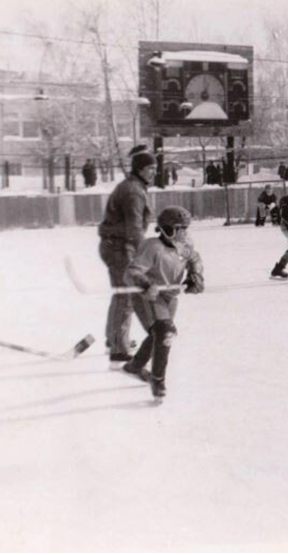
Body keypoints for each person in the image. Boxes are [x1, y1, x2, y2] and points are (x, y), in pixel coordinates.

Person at [121, 206, 204, 400]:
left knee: (158, 334)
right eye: (180, 228)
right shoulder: (152, 247)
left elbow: (195, 258)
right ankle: (158, 380)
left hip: (170, 296)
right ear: (167, 228)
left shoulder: (185, 244)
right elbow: (131, 272)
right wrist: (145, 283)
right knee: (165, 332)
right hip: (149, 296)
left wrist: (195, 274)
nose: (185, 233)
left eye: (186, 228)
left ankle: (135, 365)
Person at [97, 145, 155, 363]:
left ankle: (114, 339)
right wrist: (144, 258)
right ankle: (118, 348)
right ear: (140, 169)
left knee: (123, 293)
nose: (153, 172)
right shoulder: (133, 191)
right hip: (120, 248)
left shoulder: (134, 186)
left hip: (116, 245)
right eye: (150, 168)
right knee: (127, 294)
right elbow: (134, 229)